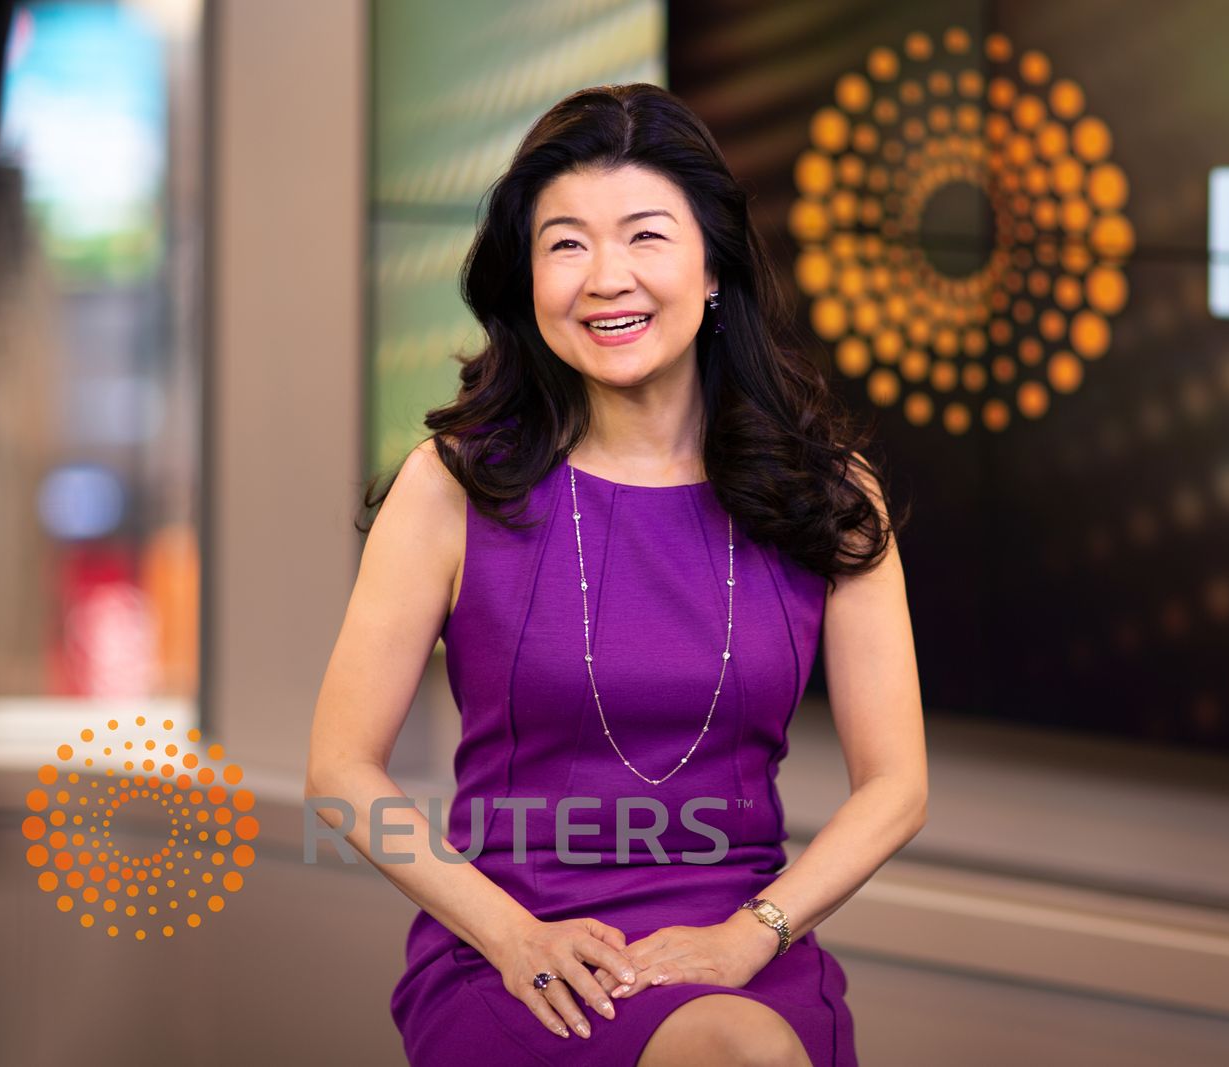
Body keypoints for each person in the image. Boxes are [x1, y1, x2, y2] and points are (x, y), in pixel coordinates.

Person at [306, 83, 927, 1066]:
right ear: (527, 278)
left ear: (714, 265)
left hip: (739, 945)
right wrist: (509, 933)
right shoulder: (454, 486)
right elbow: (340, 771)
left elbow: (895, 784)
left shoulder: (827, 493)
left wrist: (749, 934)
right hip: (518, 952)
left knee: (746, 1047)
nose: (605, 277)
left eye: (644, 236)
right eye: (565, 244)